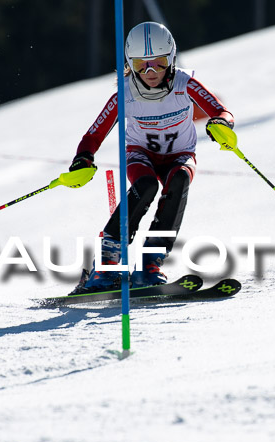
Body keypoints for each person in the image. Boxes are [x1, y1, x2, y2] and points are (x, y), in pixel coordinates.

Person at [69, 21, 234, 293]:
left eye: (158, 63)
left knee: (179, 180)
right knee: (146, 186)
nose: (150, 72)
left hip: (180, 154)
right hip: (141, 155)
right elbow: (93, 135)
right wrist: (83, 158)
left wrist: (221, 125)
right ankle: (107, 265)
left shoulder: (184, 83)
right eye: (140, 65)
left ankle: (149, 263)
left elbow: (221, 111)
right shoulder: (125, 93)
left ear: (170, 60)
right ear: (130, 65)